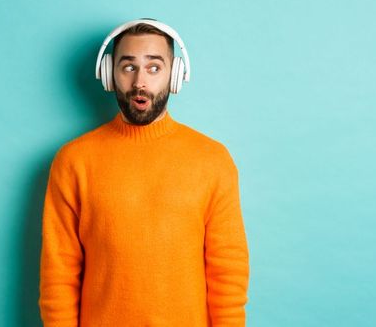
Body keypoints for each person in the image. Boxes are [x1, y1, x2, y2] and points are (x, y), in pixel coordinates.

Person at [39, 18, 249, 327]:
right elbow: (59, 273)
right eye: (128, 67)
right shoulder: (73, 161)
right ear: (110, 74)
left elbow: (227, 270)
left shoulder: (213, 160)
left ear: (174, 75)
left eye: (154, 68)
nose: (140, 82)